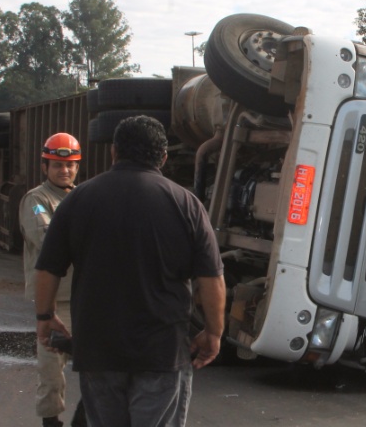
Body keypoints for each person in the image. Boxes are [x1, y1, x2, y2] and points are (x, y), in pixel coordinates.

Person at [33, 115, 226, 427]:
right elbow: (211, 278)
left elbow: (47, 269)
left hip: (98, 349)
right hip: (161, 351)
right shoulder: (186, 204)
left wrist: (44, 317)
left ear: (114, 152)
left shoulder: (79, 199)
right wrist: (213, 332)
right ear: (163, 157)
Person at [20, 132, 85, 427]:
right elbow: (46, 238)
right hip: (54, 302)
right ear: (45, 167)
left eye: (71, 165)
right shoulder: (36, 199)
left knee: (98, 368)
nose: (65, 171)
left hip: (85, 297)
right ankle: (51, 421)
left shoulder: (82, 197)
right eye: (58, 166)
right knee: (51, 371)